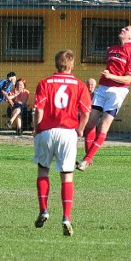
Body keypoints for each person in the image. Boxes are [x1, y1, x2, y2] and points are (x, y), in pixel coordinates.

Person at [33, 50, 92, 236]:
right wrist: (80, 129)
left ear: (56, 64)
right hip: (68, 133)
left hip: (47, 131)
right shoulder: (80, 85)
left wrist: (36, 129)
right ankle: (66, 217)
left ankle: (44, 209)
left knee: (43, 170)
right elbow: (86, 113)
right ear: (72, 65)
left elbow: (38, 110)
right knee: (67, 176)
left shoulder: (44, 83)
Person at [77, 25, 131, 171]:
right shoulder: (111, 49)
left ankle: (86, 160)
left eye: (127, 29)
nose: (123, 29)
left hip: (117, 92)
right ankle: (88, 156)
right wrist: (107, 77)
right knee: (89, 122)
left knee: (104, 126)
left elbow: (128, 80)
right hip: (102, 88)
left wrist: (111, 76)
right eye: (123, 28)